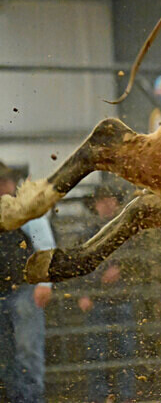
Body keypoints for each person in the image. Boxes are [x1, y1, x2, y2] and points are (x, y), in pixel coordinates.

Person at [0, 161, 56, 403]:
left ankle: (29, 399)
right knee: (8, 353)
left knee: (26, 350)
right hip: (10, 290)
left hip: (23, 288)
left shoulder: (22, 209)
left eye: (5, 181)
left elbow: (44, 245)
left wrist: (45, 283)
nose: (4, 185)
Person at [78, 184, 136, 403]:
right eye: (102, 201)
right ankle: (99, 396)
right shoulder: (88, 233)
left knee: (125, 349)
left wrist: (121, 268)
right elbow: (79, 266)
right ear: (95, 206)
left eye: (110, 200)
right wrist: (85, 292)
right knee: (97, 352)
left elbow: (139, 261)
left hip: (121, 296)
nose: (106, 204)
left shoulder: (126, 230)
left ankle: (125, 395)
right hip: (97, 299)